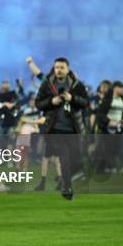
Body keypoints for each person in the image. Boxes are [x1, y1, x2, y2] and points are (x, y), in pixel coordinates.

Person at [35, 57, 88, 200]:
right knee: (64, 157)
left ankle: (65, 181)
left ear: (68, 69)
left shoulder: (76, 85)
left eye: (62, 67)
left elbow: (86, 103)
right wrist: (51, 101)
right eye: (57, 67)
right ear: (54, 68)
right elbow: (38, 103)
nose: (59, 70)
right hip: (55, 129)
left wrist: (72, 99)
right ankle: (67, 188)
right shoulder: (47, 84)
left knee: (75, 159)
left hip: (73, 129)